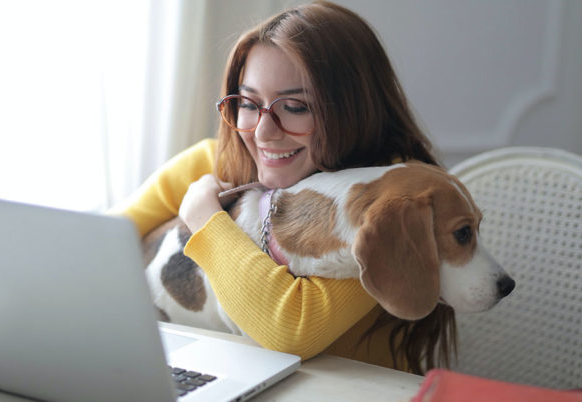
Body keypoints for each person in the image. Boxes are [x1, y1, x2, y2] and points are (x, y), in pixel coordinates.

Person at [112, 1, 454, 375]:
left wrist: (205, 220)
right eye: (248, 103)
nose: (262, 132)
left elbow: (291, 332)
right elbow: (95, 243)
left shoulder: (384, 206)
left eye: (294, 107)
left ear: (354, 111)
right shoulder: (210, 164)